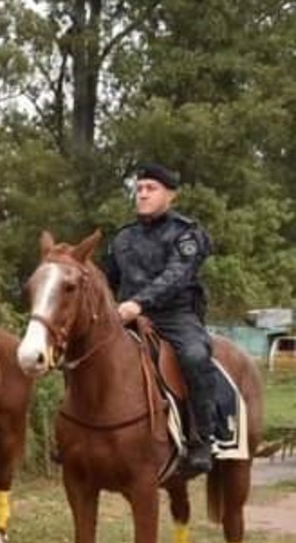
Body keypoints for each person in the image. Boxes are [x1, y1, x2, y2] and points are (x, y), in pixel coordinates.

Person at [103, 162, 215, 475]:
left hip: (175, 316)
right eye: (139, 189)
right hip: (126, 314)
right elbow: (107, 278)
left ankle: (202, 440)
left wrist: (139, 302)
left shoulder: (186, 233)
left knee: (195, 356)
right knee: (85, 351)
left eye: (151, 189)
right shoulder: (123, 238)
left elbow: (177, 275)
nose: (142, 195)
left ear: (171, 195)